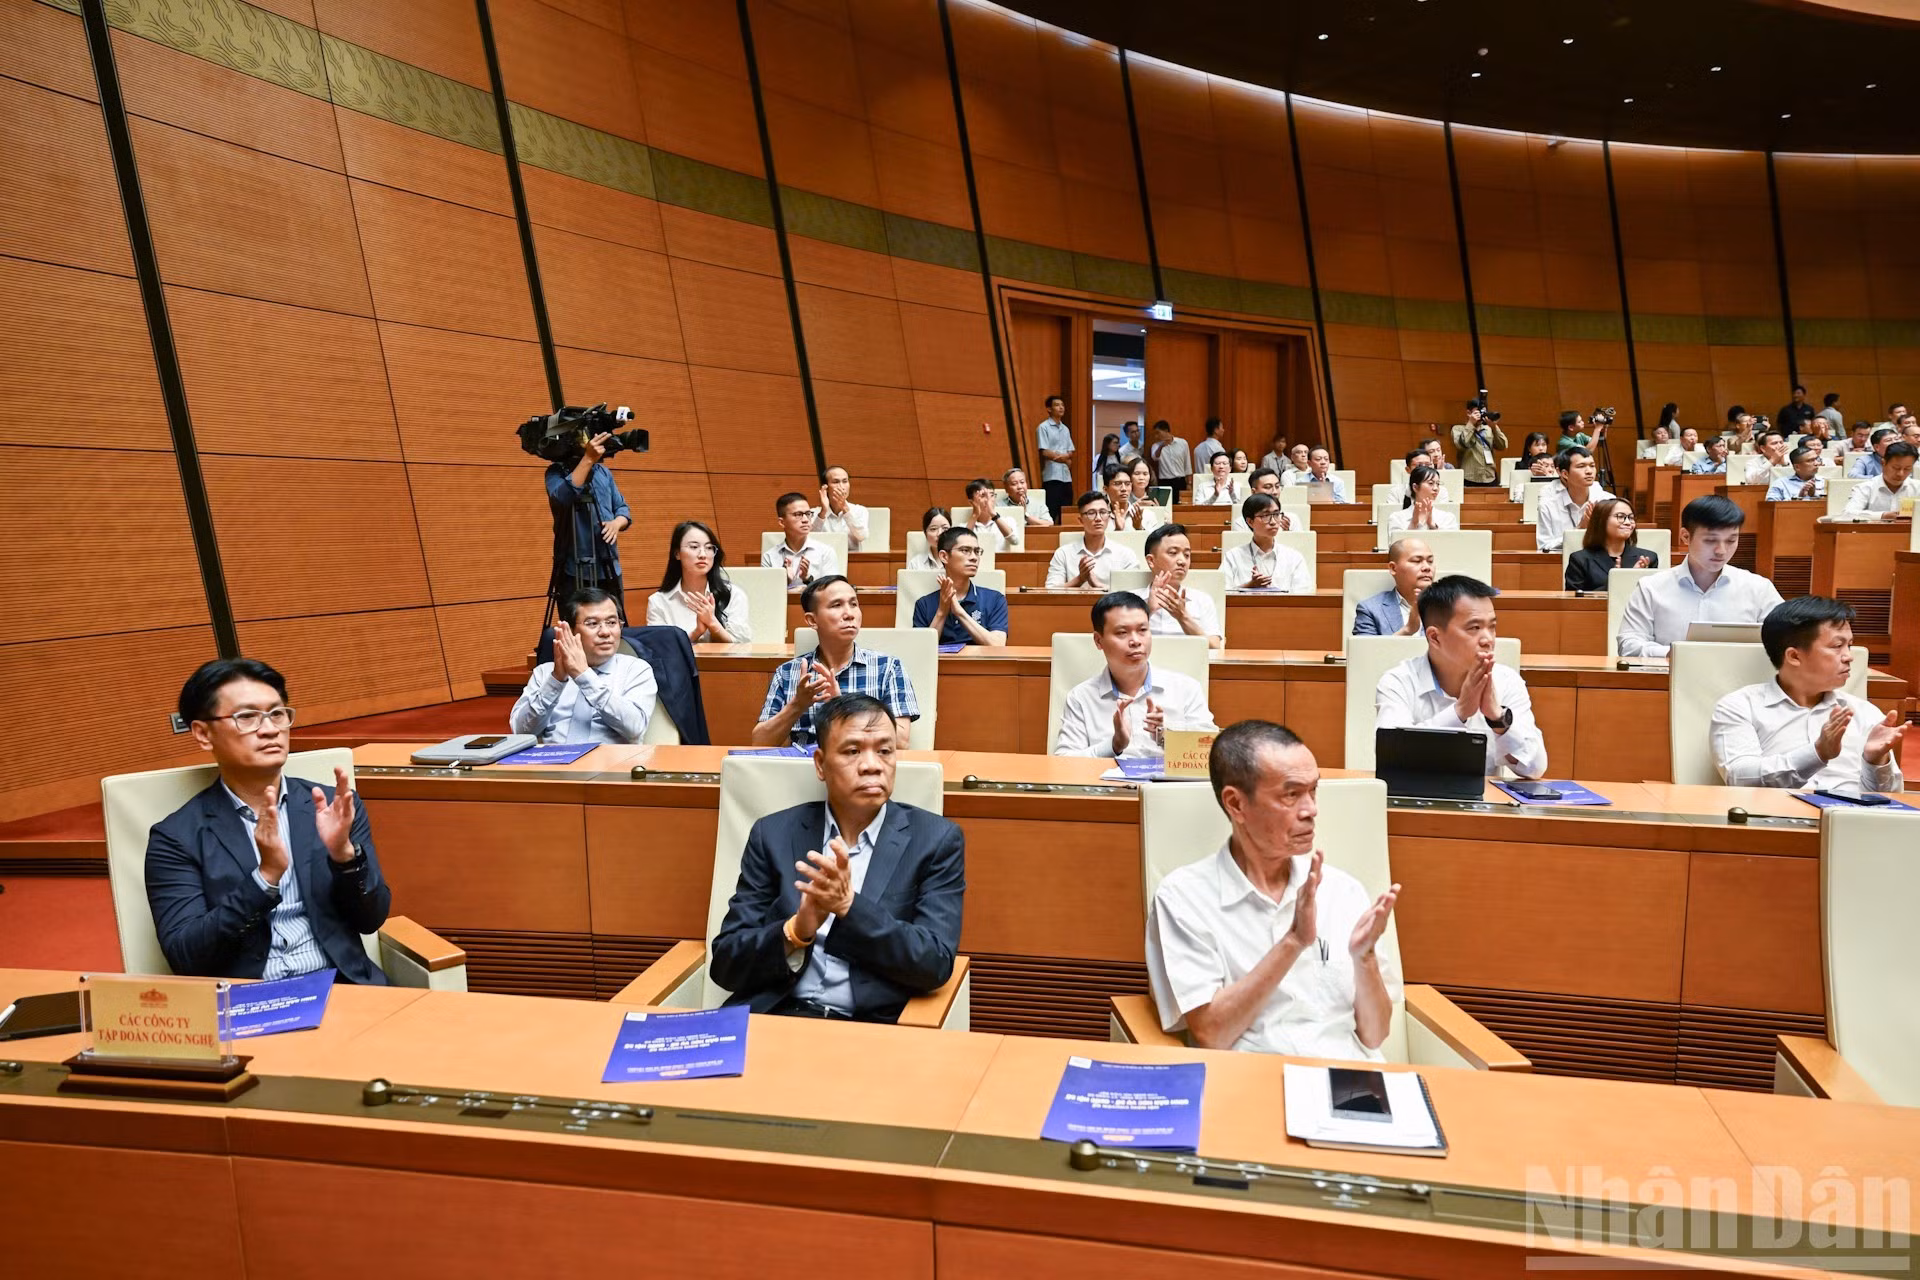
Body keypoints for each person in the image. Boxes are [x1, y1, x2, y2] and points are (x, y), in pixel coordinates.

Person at [1143, 720, 1402, 1058]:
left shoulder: (1343, 891)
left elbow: (1375, 1035)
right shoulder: (1184, 899)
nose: (1311, 810)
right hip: (1253, 1085)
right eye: (1291, 795)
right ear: (1236, 804)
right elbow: (1212, 1033)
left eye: (1313, 791)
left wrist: (1363, 958)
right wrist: (1293, 943)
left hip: (1350, 1084)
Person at [709, 693, 964, 1022]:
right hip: (775, 1018)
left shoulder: (935, 841)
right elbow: (726, 963)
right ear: (820, 764)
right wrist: (795, 931)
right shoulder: (773, 834)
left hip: (870, 1029)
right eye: (852, 751)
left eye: (885, 751)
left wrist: (849, 907)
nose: (872, 765)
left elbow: (934, 962)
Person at [146, 658, 392, 983]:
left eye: (277, 713)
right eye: (247, 717)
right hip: (248, 1001)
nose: (270, 729)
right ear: (203, 734)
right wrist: (265, 878)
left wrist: (344, 857)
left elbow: (370, 919)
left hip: (343, 989)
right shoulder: (176, 837)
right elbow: (186, 957)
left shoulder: (334, 808)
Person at [1710, 597, 1906, 795]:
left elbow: (1889, 800)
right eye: (1837, 646)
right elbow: (1740, 778)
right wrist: (1817, 753)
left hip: (1852, 820)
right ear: (1794, 656)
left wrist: (1875, 762)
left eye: (1850, 645)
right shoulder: (1741, 706)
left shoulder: (1865, 713)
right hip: (1778, 819)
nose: (1849, 656)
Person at [1374, 575, 1548, 779]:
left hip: (1483, 806)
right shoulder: (1398, 682)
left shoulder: (1506, 681)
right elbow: (1391, 759)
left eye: (1492, 626)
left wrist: (1497, 718)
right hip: (1414, 801)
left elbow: (1535, 769)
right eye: (1474, 628)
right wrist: (1460, 712)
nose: (1488, 639)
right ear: (1435, 637)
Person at [753, 577, 919, 748]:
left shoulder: (887, 668)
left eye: (854, 604)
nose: (849, 614)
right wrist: (797, 705)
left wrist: (842, 707)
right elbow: (760, 742)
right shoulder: (787, 673)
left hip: (860, 768)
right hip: (801, 770)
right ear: (812, 620)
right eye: (837, 605)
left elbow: (900, 741)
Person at [1616, 496, 1784, 658]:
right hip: (1670, 681)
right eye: (1710, 541)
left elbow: (1787, 640)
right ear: (1685, 537)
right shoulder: (1651, 587)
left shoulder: (1758, 588)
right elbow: (1629, 644)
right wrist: (1674, 654)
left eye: (1731, 540)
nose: (1721, 551)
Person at [1055, 592, 1217, 759]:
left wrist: (1167, 738)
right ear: (1098, 641)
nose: (1136, 641)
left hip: (1168, 786)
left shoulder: (1186, 689)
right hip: (1108, 784)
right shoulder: (1081, 697)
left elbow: (1212, 755)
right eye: (1122, 633)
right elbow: (1064, 761)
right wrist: (1113, 745)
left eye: (1142, 630)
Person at [511, 588, 657, 743]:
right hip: (552, 762)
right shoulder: (544, 673)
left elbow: (635, 728)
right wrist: (556, 681)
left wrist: (584, 676)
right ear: (570, 630)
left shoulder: (636, 670)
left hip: (611, 763)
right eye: (593, 624)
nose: (605, 632)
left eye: (612, 622)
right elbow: (521, 732)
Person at [546, 429, 631, 614]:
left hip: (608, 564)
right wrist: (588, 459)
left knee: (615, 623)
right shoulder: (555, 472)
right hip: (573, 569)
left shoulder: (603, 472)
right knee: (575, 628)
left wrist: (616, 523)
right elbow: (562, 497)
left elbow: (623, 509)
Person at [648, 520, 750, 642]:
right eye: (694, 547)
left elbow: (743, 648)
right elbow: (661, 650)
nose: (702, 554)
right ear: (677, 554)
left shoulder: (733, 595)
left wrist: (713, 624)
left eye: (709, 548)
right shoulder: (658, 602)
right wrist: (697, 632)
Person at [910, 527, 1008, 647]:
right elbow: (921, 651)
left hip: (981, 665)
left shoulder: (995, 599)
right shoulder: (923, 604)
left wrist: (959, 612)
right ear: (944, 556)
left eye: (977, 551)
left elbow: (997, 645)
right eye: (965, 550)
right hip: (939, 666)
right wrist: (942, 611)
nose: (974, 557)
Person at [1142, 523, 1224, 649]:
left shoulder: (1202, 600)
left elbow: (1215, 647)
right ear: (1151, 561)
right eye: (1173, 553)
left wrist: (1183, 616)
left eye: (1187, 555)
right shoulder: (1131, 599)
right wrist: (1149, 610)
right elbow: (1118, 641)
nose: (1182, 561)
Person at [1045, 490, 1142, 588]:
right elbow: (1050, 590)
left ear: (1108, 516)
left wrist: (1099, 586)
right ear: (1080, 520)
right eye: (1091, 513)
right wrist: (1080, 579)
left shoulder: (1125, 554)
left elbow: (1134, 591)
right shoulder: (1063, 553)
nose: (1098, 518)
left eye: (1103, 512)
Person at [1223, 494, 1312, 592]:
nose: (1273, 522)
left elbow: (1304, 594)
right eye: (1265, 516)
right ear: (1250, 522)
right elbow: (1220, 593)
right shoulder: (1233, 556)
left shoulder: (1294, 557)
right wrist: (1248, 586)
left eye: (1276, 514)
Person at [1564, 499, 1658, 591]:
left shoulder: (1648, 558)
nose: (1628, 522)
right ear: (1602, 520)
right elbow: (1575, 602)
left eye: (1631, 518)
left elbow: (1653, 599)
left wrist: (1633, 578)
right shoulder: (1580, 560)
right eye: (1620, 517)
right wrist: (1616, 582)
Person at [1534, 446, 1614, 553]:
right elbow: (1544, 547)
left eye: (1592, 466)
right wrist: (1579, 530)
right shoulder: (1548, 505)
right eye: (1581, 466)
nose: (1589, 471)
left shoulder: (1608, 501)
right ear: (1565, 474)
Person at [1352, 538, 1435, 636]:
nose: (1427, 567)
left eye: (1430, 561)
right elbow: (1364, 650)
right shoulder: (1370, 609)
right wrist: (1407, 630)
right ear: (1393, 568)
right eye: (1416, 561)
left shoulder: (1450, 607)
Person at [762, 491, 839, 588]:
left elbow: (833, 590)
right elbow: (766, 593)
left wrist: (808, 579)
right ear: (782, 522)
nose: (805, 519)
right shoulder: (770, 557)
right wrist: (784, 581)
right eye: (798, 514)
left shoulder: (826, 552)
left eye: (808, 513)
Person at [1843, 441, 1920, 517]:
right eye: (1896, 468)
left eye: (1907, 469)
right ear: (1883, 463)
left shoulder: (1917, 488)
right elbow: (1848, 513)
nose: (1900, 474)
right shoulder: (1865, 488)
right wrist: (1882, 515)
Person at [1036, 394, 1075, 521]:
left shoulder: (1065, 429)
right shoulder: (1043, 427)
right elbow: (1045, 452)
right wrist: (1065, 459)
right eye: (1057, 405)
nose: (1061, 408)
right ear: (1049, 409)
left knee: (1066, 512)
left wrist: (1064, 457)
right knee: (1051, 512)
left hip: (1066, 477)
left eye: (1062, 405)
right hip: (1052, 476)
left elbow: (1071, 452)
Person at [1387, 465, 1457, 534]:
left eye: (1438, 484)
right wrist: (1413, 524)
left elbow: (1451, 543)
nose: (1436, 488)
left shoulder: (1448, 518)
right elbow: (1395, 543)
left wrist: (1432, 526)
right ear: (1415, 487)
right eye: (1430, 483)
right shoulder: (1397, 518)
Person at [1451, 401, 1508, 486]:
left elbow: (1503, 446)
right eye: (1477, 412)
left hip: (1489, 476)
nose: (1480, 415)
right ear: (1468, 413)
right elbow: (1462, 444)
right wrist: (1471, 423)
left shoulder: (1488, 429)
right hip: (1469, 477)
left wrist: (1494, 427)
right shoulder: (1458, 429)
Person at [814, 465, 869, 551]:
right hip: (824, 561)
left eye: (845, 481)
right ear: (826, 487)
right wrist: (823, 513)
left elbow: (862, 536)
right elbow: (809, 539)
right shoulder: (814, 513)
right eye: (836, 482)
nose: (841, 486)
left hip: (852, 560)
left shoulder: (860, 510)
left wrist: (845, 508)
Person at [962, 477, 1020, 551]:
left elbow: (1015, 541)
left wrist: (994, 515)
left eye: (991, 495)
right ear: (971, 502)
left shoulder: (1008, 521)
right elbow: (962, 543)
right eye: (983, 496)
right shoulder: (964, 527)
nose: (988, 500)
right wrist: (975, 515)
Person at [1229, 467, 1292, 532]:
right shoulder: (1241, 523)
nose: (1275, 492)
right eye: (1268, 487)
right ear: (1253, 492)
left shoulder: (1291, 519)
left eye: (1277, 486)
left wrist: (1287, 532)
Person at [1122, 456, 1167, 532]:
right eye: (1137, 473)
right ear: (1129, 476)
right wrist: (1134, 506)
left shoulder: (1157, 495)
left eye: (1145, 474)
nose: (1141, 477)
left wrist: (1159, 511)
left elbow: (1167, 522)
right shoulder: (1124, 496)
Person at [1150, 419, 1192, 501]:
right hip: (1165, 481)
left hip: (1180, 481)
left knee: (1181, 508)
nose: (1156, 436)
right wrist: (1161, 446)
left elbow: (1187, 464)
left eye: (1158, 433)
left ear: (1166, 430)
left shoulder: (1182, 443)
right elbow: (1154, 457)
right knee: (1166, 507)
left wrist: (1189, 483)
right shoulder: (1156, 446)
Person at [1509, 431, 1556, 500]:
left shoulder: (1553, 462)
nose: (1541, 448)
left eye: (1544, 445)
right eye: (1537, 445)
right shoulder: (1521, 465)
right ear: (1529, 448)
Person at [907, 507, 948, 573]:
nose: (940, 533)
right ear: (925, 533)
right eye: (933, 529)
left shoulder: (959, 560)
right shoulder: (915, 563)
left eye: (945, 528)